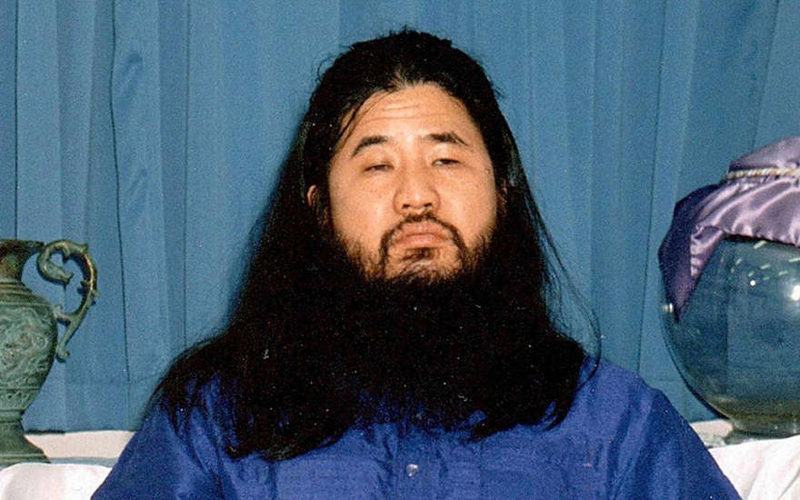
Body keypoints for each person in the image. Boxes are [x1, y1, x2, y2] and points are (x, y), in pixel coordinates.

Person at [94, 30, 738, 499]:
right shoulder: (216, 421)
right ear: (320, 210)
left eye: (446, 159)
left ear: (503, 194)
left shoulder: (616, 426)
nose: (416, 196)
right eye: (377, 165)